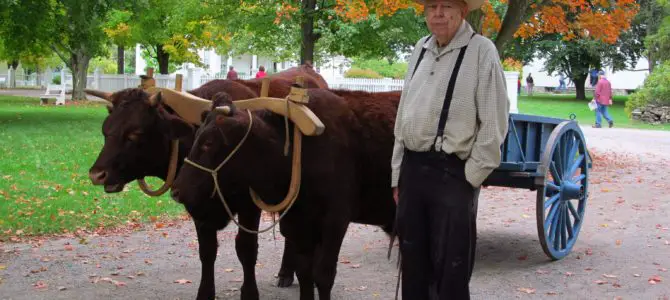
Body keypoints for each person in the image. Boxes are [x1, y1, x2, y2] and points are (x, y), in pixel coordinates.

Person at [391, 0, 509, 298]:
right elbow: (403, 116)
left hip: (452, 174)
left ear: (463, 11)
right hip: (413, 172)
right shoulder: (420, 48)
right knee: (413, 266)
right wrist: (398, 175)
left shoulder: (481, 51)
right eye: (432, 6)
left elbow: (494, 123)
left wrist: (469, 177)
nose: (438, 14)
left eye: (446, 6)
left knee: (451, 271)